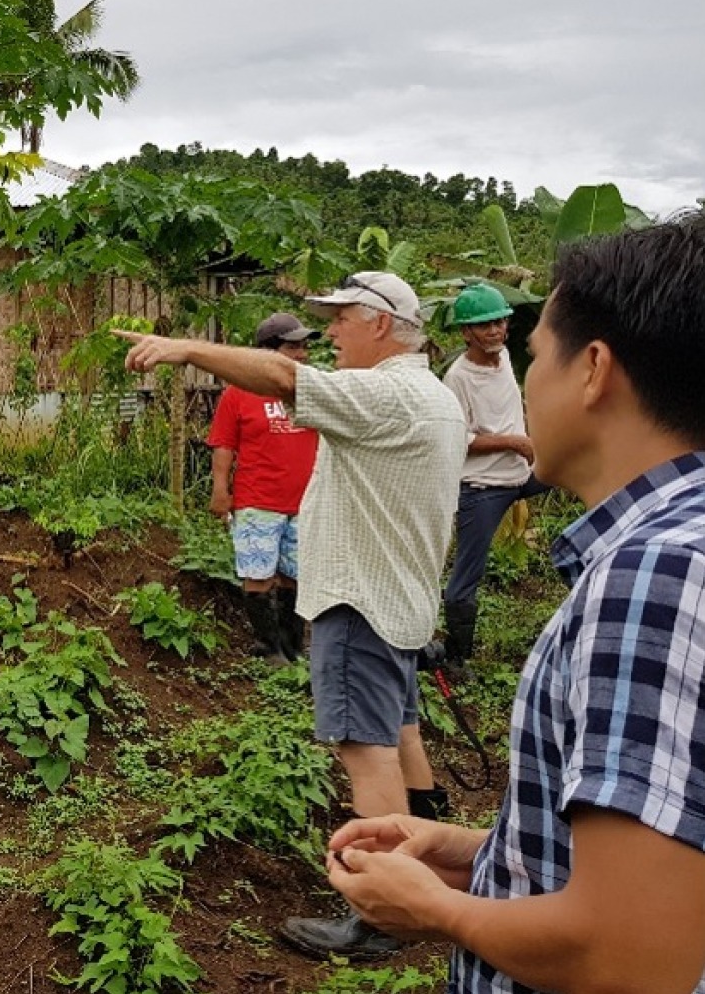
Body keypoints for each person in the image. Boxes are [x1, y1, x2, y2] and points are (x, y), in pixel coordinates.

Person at [318, 213, 705, 993]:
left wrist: (438, 911)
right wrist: (479, 852)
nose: (528, 383)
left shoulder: (652, 577)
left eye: (536, 356)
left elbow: (627, 957)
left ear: (593, 370)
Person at [118, 270, 463, 957]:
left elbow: (278, 376)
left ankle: (385, 918)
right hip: (398, 599)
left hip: (358, 600)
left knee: (363, 750)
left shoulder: (386, 391)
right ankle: (432, 863)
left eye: (339, 319)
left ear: (380, 323)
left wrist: (185, 349)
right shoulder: (435, 395)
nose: (329, 333)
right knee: (397, 731)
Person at [440, 283, 547, 670]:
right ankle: (457, 656)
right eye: (485, 325)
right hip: (484, 487)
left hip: (521, 474)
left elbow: (508, 406)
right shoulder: (458, 378)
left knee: (580, 466)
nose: (496, 331)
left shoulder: (503, 360)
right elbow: (457, 438)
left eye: (500, 322)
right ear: (466, 332)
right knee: (467, 575)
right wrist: (513, 442)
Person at [207, 312, 320, 663]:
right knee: (258, 574)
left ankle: (292, 645)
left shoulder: (314, 388)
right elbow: (224, 445)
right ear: (268, 352)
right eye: (292, 347)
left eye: (304, 346)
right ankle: (268, 647)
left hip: (304, 501)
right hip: (258, 500)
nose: (302, 354)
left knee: (294, 576)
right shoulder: (239, 393)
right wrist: (220, 491)